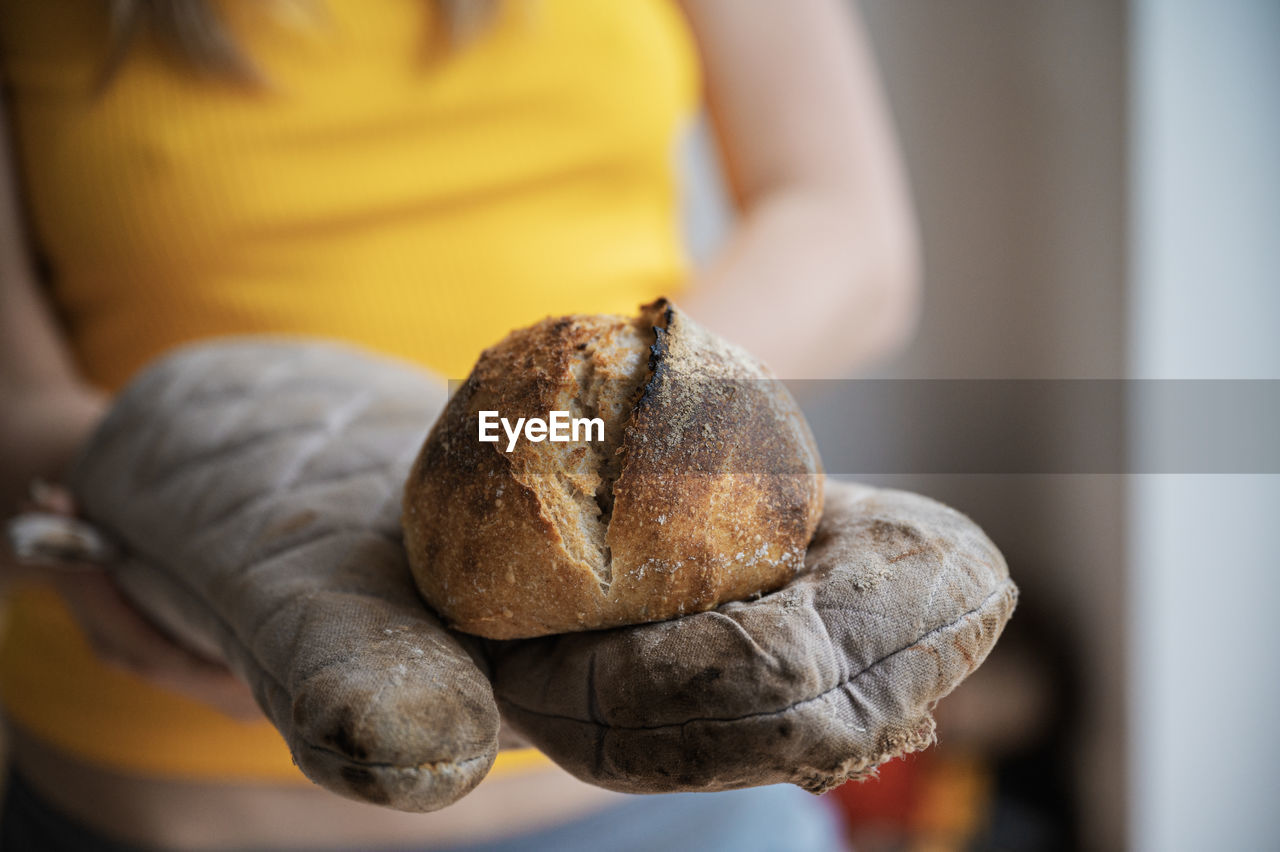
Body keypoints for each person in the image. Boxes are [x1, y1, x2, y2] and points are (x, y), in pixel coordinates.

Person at [0, 0, 919, 848]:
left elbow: (844, 224)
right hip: (168, 806)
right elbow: (17, 406)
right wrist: (171, 530)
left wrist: (659, 437)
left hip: (674, 790)